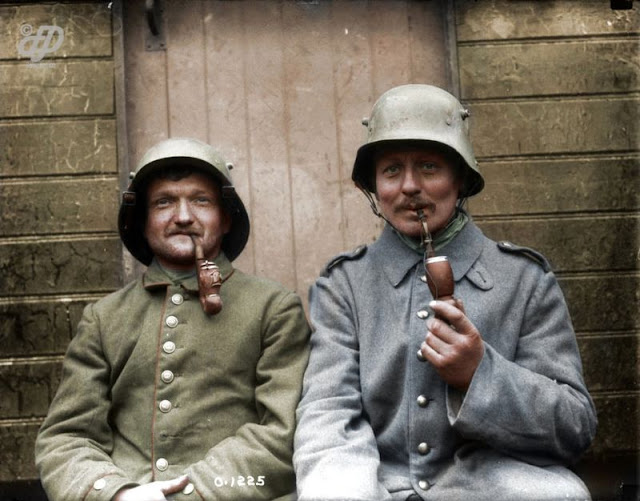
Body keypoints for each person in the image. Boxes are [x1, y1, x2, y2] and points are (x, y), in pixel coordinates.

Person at [293, 84, 597, 501]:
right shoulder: (344, 285)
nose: (409, 186)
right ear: (374, 187)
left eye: (429, 167)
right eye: (391, 170)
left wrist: (479, 374)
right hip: (379, 484)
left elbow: (573, 427)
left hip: (489, 486)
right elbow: (328, 415)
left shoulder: (524, 280)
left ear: (461, 178)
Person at [35, 138, 310, 501]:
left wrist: (190, 494)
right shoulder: (104, 319)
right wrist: (117, 494)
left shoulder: (273, 309)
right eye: (163, 202)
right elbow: (66, 437)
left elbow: (282, 434)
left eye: (201, 200)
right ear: (142, 221)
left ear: (226, 218)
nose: (182, 217)